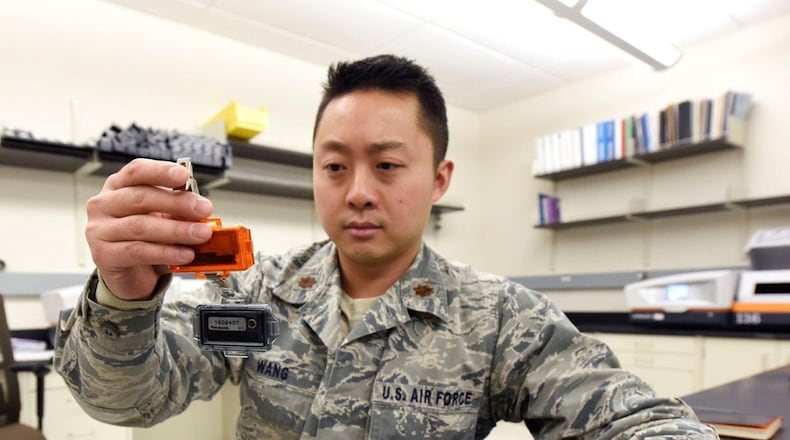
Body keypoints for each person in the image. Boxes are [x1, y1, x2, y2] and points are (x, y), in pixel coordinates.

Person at [53, 54, 717, 439]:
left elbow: (632, 420)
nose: (358, 192)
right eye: (334, 166)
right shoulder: (254, 293)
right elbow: (128, 399)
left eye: (388, 165)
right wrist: (124, 298)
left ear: (439, 179)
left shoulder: (497, 319)